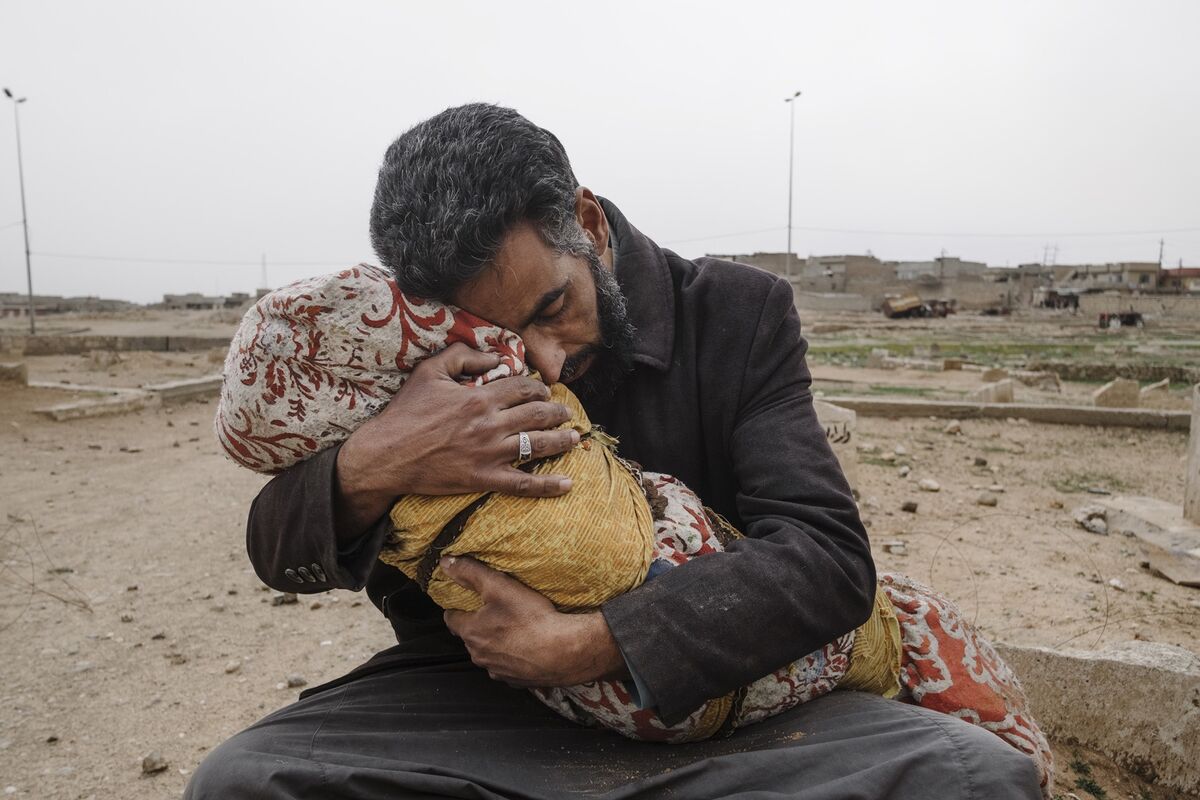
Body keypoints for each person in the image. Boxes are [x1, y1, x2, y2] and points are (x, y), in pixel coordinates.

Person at [187, 103, 1043, 799]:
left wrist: (596, 642)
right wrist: (380, 459)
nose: (547, 360)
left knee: (974, 780)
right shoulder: (410, 354)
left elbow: (829, 562)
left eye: (554, 306)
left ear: (588, 224)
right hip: (488, 711)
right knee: (244, 781)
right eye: (505, 334)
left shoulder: (739, 314)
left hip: (728, 704)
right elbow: (275, 545)